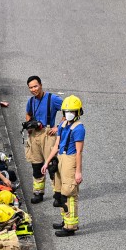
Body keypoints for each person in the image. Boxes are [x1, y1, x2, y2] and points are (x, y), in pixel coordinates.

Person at [42, 96, 85, 237]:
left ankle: (70, 226)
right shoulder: (63, 125)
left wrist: (78, 172)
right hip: (61, 158)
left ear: (78, 112)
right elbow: (56, 145)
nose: (68, 113)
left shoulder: (78, 128)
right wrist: (47, 161)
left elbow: (79, 152)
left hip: (70, 160)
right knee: (59, 192)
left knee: (69, 193)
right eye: (66, 111)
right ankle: (65, 220)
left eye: (71, 111)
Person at [22, 76, 63, 204]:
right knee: (36, 165)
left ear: (40, 85)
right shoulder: (31, 101)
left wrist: (58, 127)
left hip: (48, 133)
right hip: (34, 135)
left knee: (52, 165)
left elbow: (68, 110)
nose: (33, 89)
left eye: (35, 86)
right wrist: (29, 126)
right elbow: (28, 113)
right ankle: (38, 193)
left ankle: (58, 194)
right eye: (31, 87)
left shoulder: (52, 99)